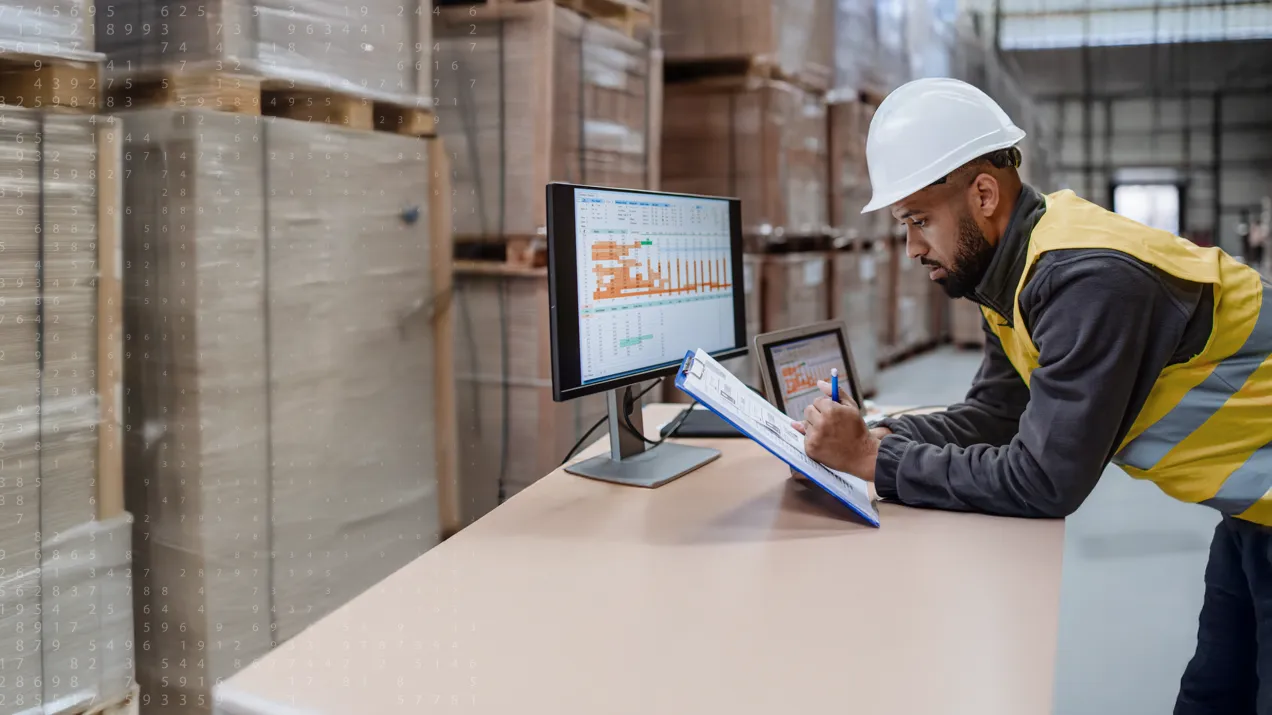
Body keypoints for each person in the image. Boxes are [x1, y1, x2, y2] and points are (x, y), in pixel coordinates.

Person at [795, 77, 1272, 714]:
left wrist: (875, 462)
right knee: (1215, 696)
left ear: (984, 195)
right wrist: (878, 435)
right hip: (1253, 511)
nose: (910, 248)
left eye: (917, 221)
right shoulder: (1016, 273)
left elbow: (1045, 481)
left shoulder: (1086, 281)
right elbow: (996, 415)